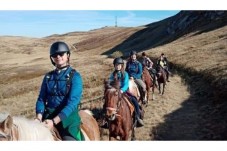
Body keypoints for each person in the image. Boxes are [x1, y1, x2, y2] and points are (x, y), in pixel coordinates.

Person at [35, 41, 83, 141]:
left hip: (68, 118)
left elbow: (73, 102)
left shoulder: (75, 76)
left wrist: (54, 121)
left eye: (61, 54)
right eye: (54, 55)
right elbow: (41, 98)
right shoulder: (48, 77)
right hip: (48, 116)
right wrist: (39, 117)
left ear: (68, 55)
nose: (58, 57)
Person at [101, 57, 144, 128]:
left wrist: (122, 90)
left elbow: (126, 84)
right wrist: (109, 87)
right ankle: (105, 120)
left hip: (124, 92)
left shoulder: (125, 74)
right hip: (115, 92)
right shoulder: (112, 74)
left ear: (122, 66)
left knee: (134, 100)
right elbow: (110, 82)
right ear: (114, 66)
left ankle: (137, 118)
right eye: (116, 65)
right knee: (106, 103)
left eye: (119, 65)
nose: (117, 66)